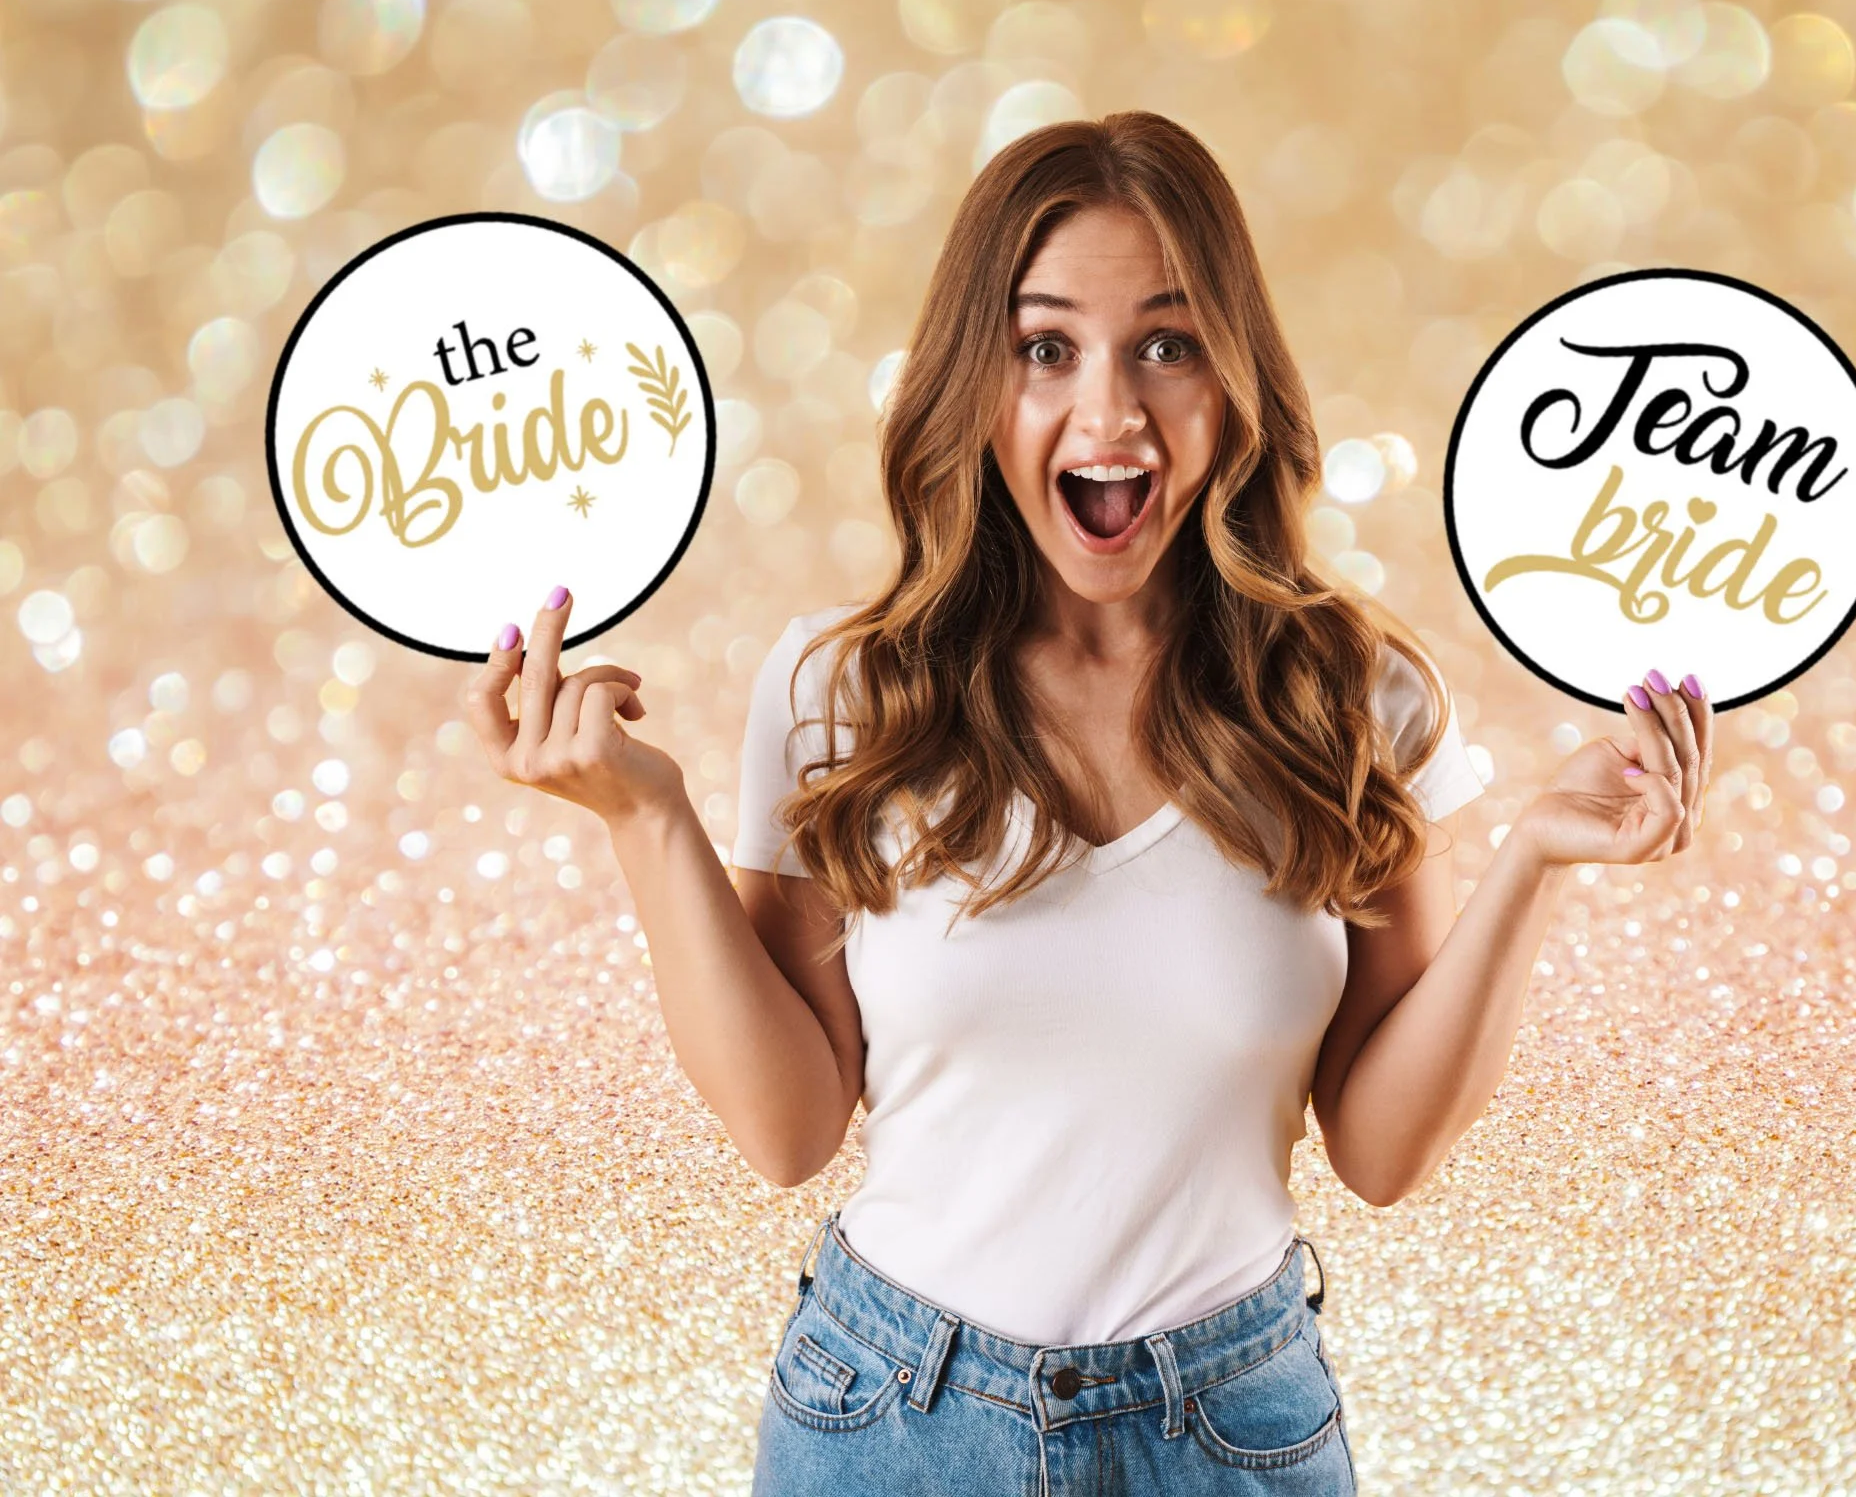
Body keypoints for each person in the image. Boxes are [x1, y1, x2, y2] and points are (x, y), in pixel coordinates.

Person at [462, 111, 1713, 1496]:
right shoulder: (843, 688)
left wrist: (1536, 862)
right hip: (889, 1419)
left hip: (1234, 1430)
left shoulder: (1352, 697)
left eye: (1166, 346)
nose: (1109, 414)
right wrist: (645, 818)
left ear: (1234, 382)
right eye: (1046, 348)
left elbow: (1379, 1148)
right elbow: (790, 1125)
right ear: (972, 382)